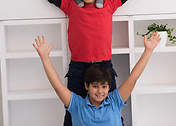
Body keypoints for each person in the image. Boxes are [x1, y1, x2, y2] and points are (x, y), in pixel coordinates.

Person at [35, 0, 139, 125]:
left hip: (104, 65)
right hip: (78, 68)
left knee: (112, 108)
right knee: (72, 112)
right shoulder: (72, 7)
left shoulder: (109, 4)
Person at [32, 32, 161, 126]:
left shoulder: (114, 101)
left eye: (104, 87)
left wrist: (148, 51)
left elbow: (133, 78)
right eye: (95, 86)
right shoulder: (77, 105)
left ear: (109, 87)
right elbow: (58, 87)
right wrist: (45, 57)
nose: (100, 91)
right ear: (87, 86)